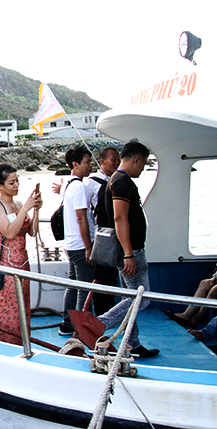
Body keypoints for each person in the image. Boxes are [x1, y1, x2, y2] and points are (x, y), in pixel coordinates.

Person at [98, 141, 159, 358]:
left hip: (127, 250)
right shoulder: (122, 181)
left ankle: (132, 343)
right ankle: (98, 324)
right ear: (137, 159)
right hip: (131, 251)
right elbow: (119, 217)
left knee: (129, 295)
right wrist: (129, 253)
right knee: (139, 298)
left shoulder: (113, 180)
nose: (142, 169)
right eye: (143, 164)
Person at [0, 164, 42, 344]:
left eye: (17, 180)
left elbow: (32, 232)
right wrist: (25, 209)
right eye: (12, 182)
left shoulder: (18, 204)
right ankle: (8, 345)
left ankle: (23, 341)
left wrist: (35, 209)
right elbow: (9, 232)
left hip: (22, 263)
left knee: (23, 307)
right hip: (7, 266)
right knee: (9, 309)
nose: (17, 185)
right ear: (0, 185)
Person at [57, 145, 96, 336]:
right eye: (87, 162)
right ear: (75, 164)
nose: (90, 166)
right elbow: (81, 218)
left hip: (70, 244)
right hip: (80, 245)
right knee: (85, 288)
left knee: (73, 285)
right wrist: (89, 248)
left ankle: (67, 322)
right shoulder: (79, 187)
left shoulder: (68, 184)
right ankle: (81, 328)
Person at [86, 147, 121, 315]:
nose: (116, 163)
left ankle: (112, 311)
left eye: (118, 159)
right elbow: (86, 214)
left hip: (116, 234)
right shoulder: (92, 183)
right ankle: (101, 313)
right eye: (113, 159)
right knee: (102, 276)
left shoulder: (117, 180)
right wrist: (91, 242)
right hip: (101, 236)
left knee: (112, 276)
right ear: (102, 161)